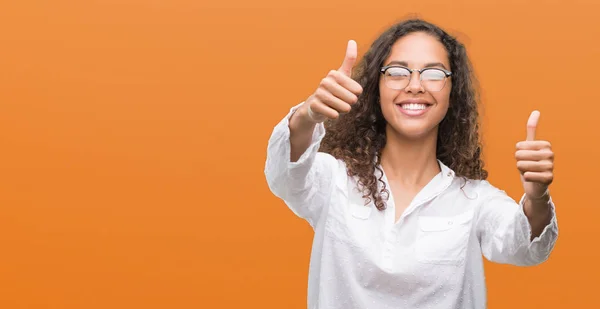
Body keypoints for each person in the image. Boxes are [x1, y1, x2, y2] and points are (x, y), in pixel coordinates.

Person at [264, 18, 558, 309]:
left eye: (433, 73)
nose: (414, 85)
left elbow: (524, 247)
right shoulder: (333, 180)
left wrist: (537, 197)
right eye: (397, 72)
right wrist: (308, 115)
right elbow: (284, 174)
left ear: (452, 93)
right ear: (376, 89)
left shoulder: (474, 200)